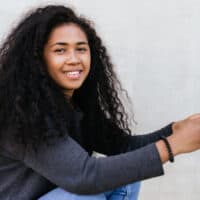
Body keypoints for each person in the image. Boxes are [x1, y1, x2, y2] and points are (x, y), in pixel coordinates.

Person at [0, 5, 199, 200]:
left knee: (126, 172)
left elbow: (123, 147)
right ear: (37, 59)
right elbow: (85, 176)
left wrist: (177, 130)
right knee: (87, 194)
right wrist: (172, 145)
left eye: (81, 49)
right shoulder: (23, 115)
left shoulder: (73, 105)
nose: (74, 59)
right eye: (60, 50)